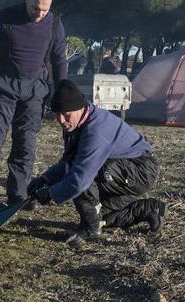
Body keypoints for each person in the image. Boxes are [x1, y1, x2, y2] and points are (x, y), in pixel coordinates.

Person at [0, 0, 68, 205]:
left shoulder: (54, 24)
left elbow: (59, 59)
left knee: (25, 143)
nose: (40, 14)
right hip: (4, 87)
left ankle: (19, 194)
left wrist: (62, 93)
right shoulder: (5, 17)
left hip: (34, 91)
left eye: (45, 10)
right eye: (36, 8)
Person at [28, 79, 166, 243]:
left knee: (83, 174)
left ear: (80, 108)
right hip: (120, 172)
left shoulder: (96, 130)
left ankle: (90, 229)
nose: (61, 120)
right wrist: (45, 179)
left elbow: (80, 179)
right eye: (56, 114)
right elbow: (68, 160)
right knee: (100, 217)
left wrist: (51, 194)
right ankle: (149, 209)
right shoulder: (75, 124)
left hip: (140, 170)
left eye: (66, 114)